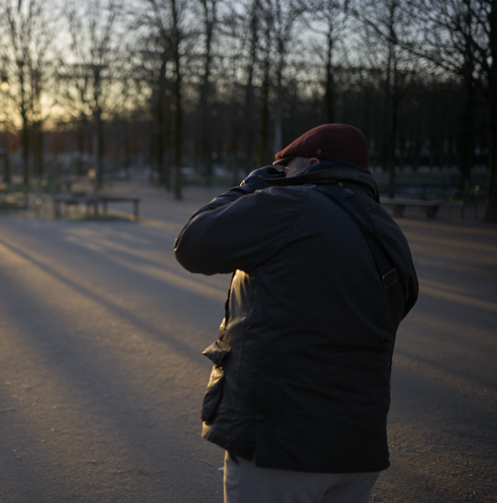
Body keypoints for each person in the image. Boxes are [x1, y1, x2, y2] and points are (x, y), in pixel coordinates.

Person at [174, 124, 419, 503]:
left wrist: (248, 187)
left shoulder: (290, 205)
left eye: (284, 167)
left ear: (312, 165)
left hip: (281, 443)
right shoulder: (388, 229)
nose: (279, 176)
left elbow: (192, 244)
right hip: (359, 447)